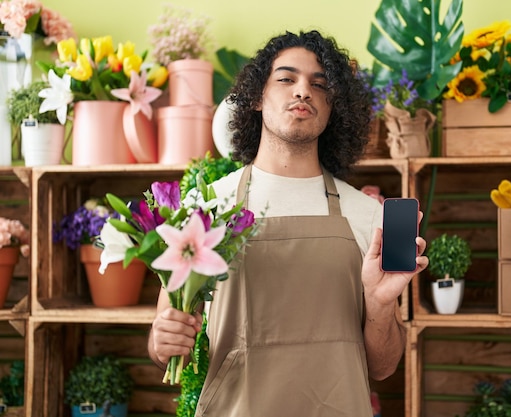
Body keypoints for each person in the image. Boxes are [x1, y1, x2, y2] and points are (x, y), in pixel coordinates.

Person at [147, 29, 429, 416]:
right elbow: (164, 338)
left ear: (334, 108)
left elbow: (382, 367)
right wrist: (163, 341)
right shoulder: (207, 207)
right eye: (285, 78)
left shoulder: (367, 217)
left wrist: (380, 305)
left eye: (319, 84)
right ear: (257, 97)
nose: (302, 91)